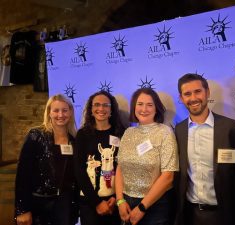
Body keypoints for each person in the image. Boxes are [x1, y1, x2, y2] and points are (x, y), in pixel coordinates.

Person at [174, 73, 235, 225]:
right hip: (190, 215)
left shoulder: (231, 128)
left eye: (198, 91)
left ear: (207, 92)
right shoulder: (178, 131)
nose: (193, 98)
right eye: (187, 94)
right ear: (181, 98)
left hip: (225, 215)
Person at [116, 88, 179, 225]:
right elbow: (120, 168)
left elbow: (168, 176)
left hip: (155, 206)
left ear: (156, 109)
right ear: (134, 107)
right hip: (126, 203)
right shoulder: (128, 132)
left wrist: (142, 207)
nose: (144, 109)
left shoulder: (165, 132)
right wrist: (120, 200)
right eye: (140, 104)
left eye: (149, 105)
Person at [15, 94, 78, 225]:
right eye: (56, 110)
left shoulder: (75, 141)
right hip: (39, 205)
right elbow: (23, 175)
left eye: (65, 110)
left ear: (71, 112)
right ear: (49, 113)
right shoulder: (36, 136)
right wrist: (22, 210)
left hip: (65, 205)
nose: (60, 115)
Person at [74, 90, 125, 225]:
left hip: (114, 202)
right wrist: (96, 203)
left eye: (105, 105)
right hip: (89, 203)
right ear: (91, 110)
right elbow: (79, 170)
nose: (101, 108)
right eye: (96, 105)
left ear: (111, 110)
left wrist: (116, 198)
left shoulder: (121, 132)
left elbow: (124, 168)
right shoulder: (82, 135)